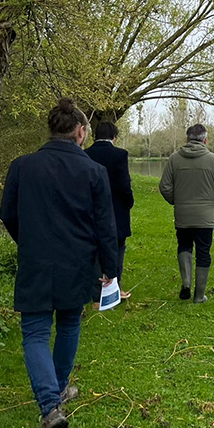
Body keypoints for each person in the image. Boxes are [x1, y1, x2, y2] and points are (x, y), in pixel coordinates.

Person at [0, 98, 119, 428]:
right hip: (77, 261)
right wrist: (109, 268)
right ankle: (54, 398)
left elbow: (8, 214)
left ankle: (52, 402)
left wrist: (29, 241)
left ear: (51, 130)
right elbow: (104, 226)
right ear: (81, 132)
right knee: (68, 323)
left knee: (35, 331)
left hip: (37, 259)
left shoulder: (22, 166)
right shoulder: (94, 172)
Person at [159, 124, 214, 303]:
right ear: (205, 140)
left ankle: (186, 282)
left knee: (184, 246)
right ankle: (199, 296)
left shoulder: (174, 159)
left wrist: (177, 201)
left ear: (187, 139)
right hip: (205, 216)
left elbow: (164, 187)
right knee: (203, 252)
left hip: (183, 214)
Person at [85, 121, 134, 304]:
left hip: (92, 209)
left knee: (95, 249)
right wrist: (129, 202)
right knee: (118, 247)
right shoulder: (120, 155)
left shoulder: (85, 154)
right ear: (115, 136)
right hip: (116, 208)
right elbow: (124, 183)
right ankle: (115, 288)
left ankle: (96, 295)